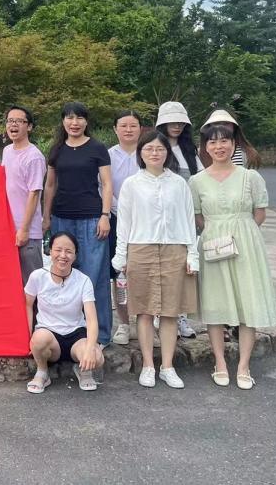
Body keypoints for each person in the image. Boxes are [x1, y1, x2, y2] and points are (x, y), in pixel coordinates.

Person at [190, 122, 276, 390]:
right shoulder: (196, 181)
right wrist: (218, 233)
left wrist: (241, 232)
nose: (219, 146)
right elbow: (198, 217)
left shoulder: (250, 177)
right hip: (213, 245)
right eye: (213, 142)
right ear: (205, 147)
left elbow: (259, 213)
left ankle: (243, 365)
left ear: (233, 144)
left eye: (224, 141)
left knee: (247, 302)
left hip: (247, 245)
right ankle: (219, 362)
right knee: (215, 303)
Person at [113, 131, 199, 389]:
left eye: (160, 149)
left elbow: (188, 219)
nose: (154, 153)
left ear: (167, 153)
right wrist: (121, 254)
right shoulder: (131, 184)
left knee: (171, 310)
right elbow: (124, 223)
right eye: (149, 148)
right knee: (144, 310)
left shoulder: (179, 184)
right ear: (141, 152)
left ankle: (168, 367)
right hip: (141, 249)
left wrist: (192, 253)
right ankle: (148, 365)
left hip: (174, 249)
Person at [43, 102, 113, 346]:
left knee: (94, 277)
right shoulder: (56, 150)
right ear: (63, 121)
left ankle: (101, 335)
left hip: (92, 219)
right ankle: (68, 330)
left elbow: (107, 184)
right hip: (62, 218)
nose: (75, 123)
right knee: (64, 275)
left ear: (86, 121)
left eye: (80, 118)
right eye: (70, 118)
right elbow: (50, 185)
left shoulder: (97, 148)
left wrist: (105, 215)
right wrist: (46, 216)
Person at [24, 231, 104, 393]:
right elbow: (27, 305)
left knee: (98, 358)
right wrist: (28, 336)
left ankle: (83, 369)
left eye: (68, 251)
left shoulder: (83, 280)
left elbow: (91, 319)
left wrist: (90, 348)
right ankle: (42, 371)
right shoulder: (37, 276)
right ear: (50, 251)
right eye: (58, 250)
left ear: (75, 255)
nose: (63, 255)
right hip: (49, 335)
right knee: (38, 339)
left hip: (76, 335)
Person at [155, 101, 202, 340]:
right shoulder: (156, 148)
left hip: (186, 219)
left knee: (184, 270)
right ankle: (160, 315)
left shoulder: (189, 150)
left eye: (181, 122)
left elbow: (200, 180)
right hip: (161, 219)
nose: (176, 126)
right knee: (160, 270)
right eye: (172, 121)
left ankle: (181, 317)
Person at [0, 107, 45, 284]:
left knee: (32, 284)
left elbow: (34, 194)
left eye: (19, 121)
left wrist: (24, 229)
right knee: (12, 283)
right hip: (8, 229)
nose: (13, 125)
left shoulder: (34, 156)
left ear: (29, 126)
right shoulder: (7, 151)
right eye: (10, 121)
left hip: (28, 233)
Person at [108, 111, 141, 345]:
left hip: (145, 222)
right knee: (119, 273)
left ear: (140, 128)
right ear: (115, 129)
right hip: (115, 218)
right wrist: (120, 210)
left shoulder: (148, 152)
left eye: (133, 125)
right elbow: (103, 186)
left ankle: (145, 323)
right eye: (123, 125)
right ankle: (124, 323)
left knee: (144, 273)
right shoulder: (108, 155)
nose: (128, 130)